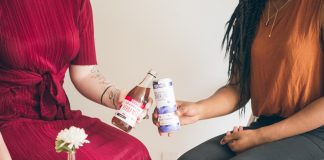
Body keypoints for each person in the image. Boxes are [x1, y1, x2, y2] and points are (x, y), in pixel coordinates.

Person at [153, 0, 324, 159]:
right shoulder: (251, 9)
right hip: (267, 125)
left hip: (316, 132)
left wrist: (261, 137)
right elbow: (239, 88)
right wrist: (197, 110)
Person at [0, 0, 151, 159]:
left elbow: (85, 74)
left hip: (56, 114)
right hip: (7, 119)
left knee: (135, 152)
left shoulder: (77, 2)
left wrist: (117, 98)